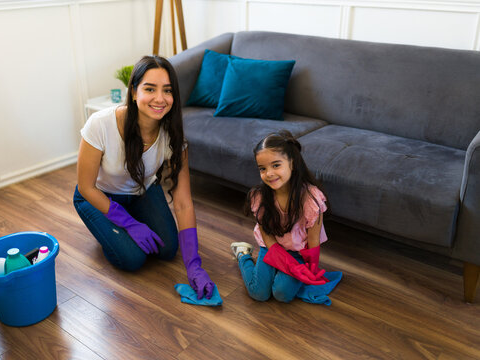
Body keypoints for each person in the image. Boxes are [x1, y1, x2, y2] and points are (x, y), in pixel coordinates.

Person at [73, 55, 214, 299]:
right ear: (135, 91)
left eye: (167, 91)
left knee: (169, 249)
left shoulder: (173, 136)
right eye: (150, 89)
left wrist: (194, 264)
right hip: (97, 196)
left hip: (140, 192)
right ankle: (107, 230)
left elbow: (183, 202)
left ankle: (123, 224)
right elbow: (86, 187)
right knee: (132, 259)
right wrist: (130, 223)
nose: (160, 99)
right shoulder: (100, 124)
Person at [230, 130, 329, 303]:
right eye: (262, 168)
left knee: (282, 294)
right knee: (258, 293)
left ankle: (275, 272)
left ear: (292, 163)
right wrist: (281, 261)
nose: (269, 173)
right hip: (271, 247)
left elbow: (313, 240)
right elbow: (266, 234)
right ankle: (243, 254)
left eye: (276, 165)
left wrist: (311, 269)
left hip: (297, 252)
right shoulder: (259, 196)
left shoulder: (311, 198)